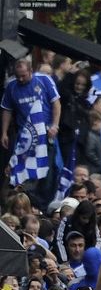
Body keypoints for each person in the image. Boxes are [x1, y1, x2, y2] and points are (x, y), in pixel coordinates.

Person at [1, 58, 61, 209]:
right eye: (18, 76)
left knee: (47, 170)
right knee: (23, 170)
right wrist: (4, 132)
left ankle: (42, 204)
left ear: (31, 71)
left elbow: (56, 103)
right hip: (25, 137)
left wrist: (55, 125)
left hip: (46, 133)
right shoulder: (12, 87)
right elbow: (7, 110)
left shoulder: (44, 80)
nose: (21, 79)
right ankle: (23, 202)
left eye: (24, 75)